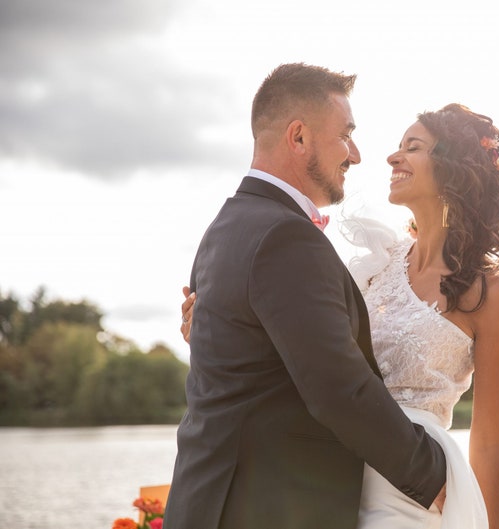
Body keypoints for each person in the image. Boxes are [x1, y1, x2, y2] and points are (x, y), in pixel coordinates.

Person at [181, 103, 499, 529]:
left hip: (417, 492)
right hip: (333, 479)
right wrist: (218, 329)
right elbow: (310, 356)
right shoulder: (374, 265)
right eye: (398, 146)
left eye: (412, 147)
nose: (392, 157)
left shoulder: (492, 295)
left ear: (454, 168)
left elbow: (489, 443)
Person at [163, 62, 447, 529]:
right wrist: (434, 478)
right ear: (298, 137)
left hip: (207, 503)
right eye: (345, 135)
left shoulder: (225, 227)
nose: (355, 154)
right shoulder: (285, 238)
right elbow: (338, 387)